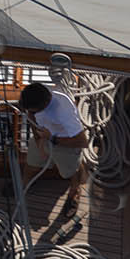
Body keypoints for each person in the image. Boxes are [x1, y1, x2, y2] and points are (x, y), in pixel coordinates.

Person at [19, 81, 89, 220]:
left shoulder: (64, 112)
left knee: (70, 173)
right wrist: (39, 140)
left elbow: (82, 142)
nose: (31, 112)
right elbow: (31, 115)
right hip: (44, 137)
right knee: (31, 164)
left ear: (44, 106)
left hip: (66, 142)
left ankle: (74, 192)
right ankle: (23, 185)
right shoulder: (36, 95)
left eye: (33, 109)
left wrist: (52, 139)